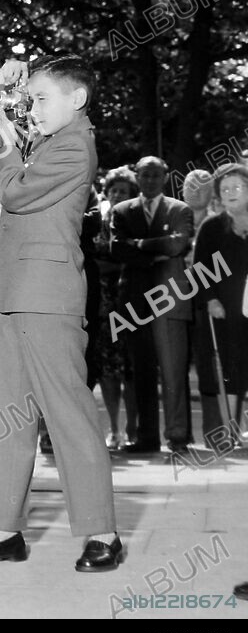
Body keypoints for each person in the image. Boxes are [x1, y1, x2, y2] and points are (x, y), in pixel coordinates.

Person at [0, 54, 121, 573]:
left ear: (78, 99)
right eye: (31, 100)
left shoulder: (75, 145)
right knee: (2, 416)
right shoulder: (45, 142)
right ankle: (1, 530)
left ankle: (103, 533)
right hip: (12, 291)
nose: (33, 109)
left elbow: (16, 193)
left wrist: (7, 153)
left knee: (68, 414)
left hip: (48, 295)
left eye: (43, 99)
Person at [110, 156, 194, 454]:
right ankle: (147, 438)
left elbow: (177, 244)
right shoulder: (122, 211)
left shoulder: (179, 209)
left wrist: (141, 244)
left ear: (165, 177)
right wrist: (156, 252)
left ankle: (178, 435)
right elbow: (117, 248)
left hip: (169, 300)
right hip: (134, 301)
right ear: (137, 177)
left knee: (173, 371)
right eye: (144, 175)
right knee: (141, 371)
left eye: (155, 175)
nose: (149, 180)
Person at [192, 162, 248, 450]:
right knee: (229, 369)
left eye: (236, 187)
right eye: (224, 189)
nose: (230, 193)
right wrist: (211, 299)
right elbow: (200, 269)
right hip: (224, 310)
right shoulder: (211, 227)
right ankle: (230, 431)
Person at [92, 166, 140, 449]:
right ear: (107, 192)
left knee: (131, 368)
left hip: (131, 302)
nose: (118, 195)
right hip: (104, 305)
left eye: (124, 191)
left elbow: (134, 259)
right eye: (114, 190)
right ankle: (114, 429)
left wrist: (109, 265)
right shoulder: (99, 222)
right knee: (109, 370)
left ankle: (133, 428)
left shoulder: (136, 222)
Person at [184, 168, 226, 444]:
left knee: (210, 367)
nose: (196, 190)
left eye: (203, 185)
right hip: (173, 301)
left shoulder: (218, 223)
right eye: (191, 185)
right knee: (175, 368)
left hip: (206, 303)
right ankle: (180, 434)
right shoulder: (174, 216)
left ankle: (215, 430)